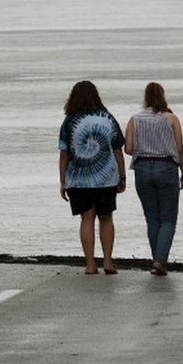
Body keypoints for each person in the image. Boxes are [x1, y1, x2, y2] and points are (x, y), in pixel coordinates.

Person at [58, 81, 127, 275]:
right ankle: (107, 262)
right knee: (106, 218)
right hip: (107, 179)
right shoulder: (108, 118)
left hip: (79, 181)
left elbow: (64, 154)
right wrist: (122, 177)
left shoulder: (69, 121)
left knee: (86, 219)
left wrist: (62, 181)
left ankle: (90, 264)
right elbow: (117, 150)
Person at [124, 82, 183, 276]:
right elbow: (179, 149)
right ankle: (160, 260)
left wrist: (144, 148)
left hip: (142, 168)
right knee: (168, 218)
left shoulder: (134, 119)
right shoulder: (171, 119)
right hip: (167, 168)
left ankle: (157, 260)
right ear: (162, 96)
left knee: (152, 218)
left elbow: (127, 149)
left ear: (145, 97)